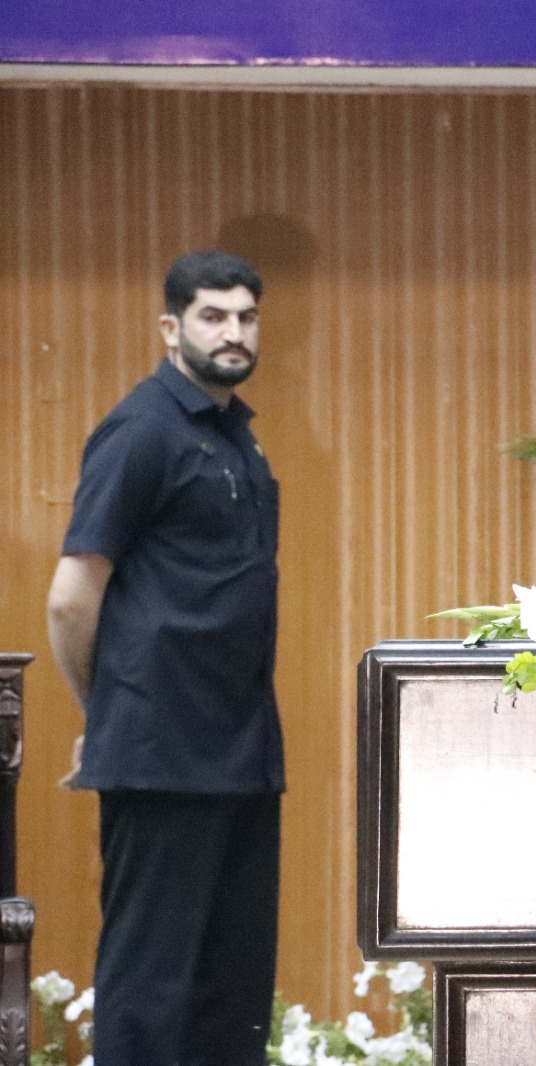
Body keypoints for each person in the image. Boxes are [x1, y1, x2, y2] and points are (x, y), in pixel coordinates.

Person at [46, 250, 283, 1065]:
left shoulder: (237, 437)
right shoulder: (142, 430)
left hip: (242, 752)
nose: (233, 332)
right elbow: (71, 599)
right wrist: (105, 711)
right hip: (161, 755)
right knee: (150, 991)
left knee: (233, 993)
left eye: (246, 316)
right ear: (170, 328)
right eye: (213, 316)